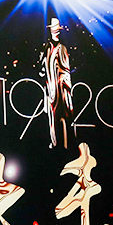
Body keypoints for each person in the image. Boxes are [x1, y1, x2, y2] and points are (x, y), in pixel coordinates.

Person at [40, 17, 73, 149]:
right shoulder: (47, 48)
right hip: (52, 88)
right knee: (53, 116)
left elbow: (66, 68)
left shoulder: (63, 48)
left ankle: (66, 143)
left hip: (63, 88)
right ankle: (55, 143)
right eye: (54, 29)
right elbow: (42, 69)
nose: (56, 31)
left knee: (65, 115)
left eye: (57, 29)